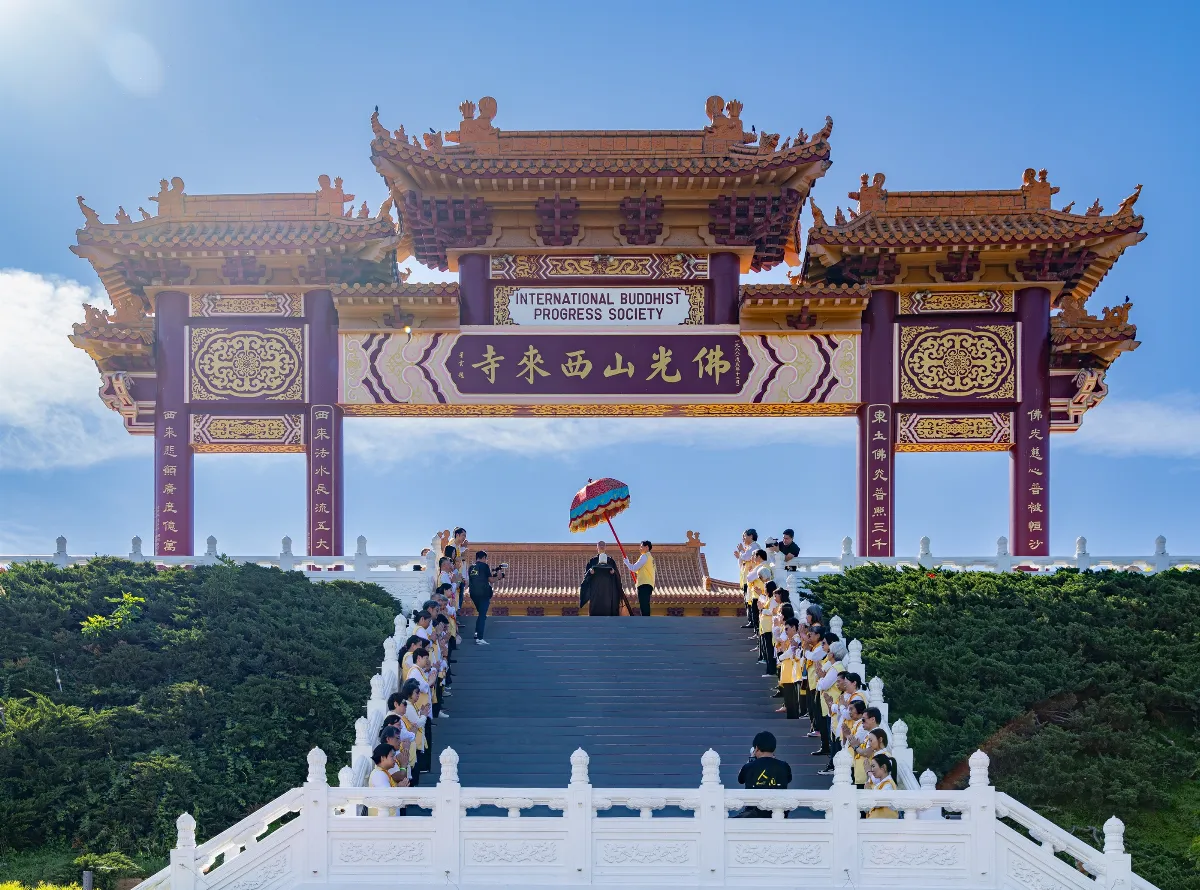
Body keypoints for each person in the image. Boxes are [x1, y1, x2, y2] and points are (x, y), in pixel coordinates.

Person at [733, 731, 793, 817]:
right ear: (774, 748)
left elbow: (740, 778)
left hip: (754, 815)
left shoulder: (749, 767)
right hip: (779, 814)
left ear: (756, 748)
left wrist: (751, 759)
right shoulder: (784, 766)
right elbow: (788, 779)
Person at [580, 541, 628, 616]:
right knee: (595, 609)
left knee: (608, 608)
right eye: (600, 545)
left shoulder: (610, 560)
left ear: (605, 547)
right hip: (595, 590)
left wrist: (613, 572)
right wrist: (590, 572)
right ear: (597, 547)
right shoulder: (592, 561)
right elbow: (586, 575)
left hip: (608, 590)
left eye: (603, 545)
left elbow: (617, 575)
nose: (601, 547)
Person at [467, 550, 495, 644]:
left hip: (473, 594)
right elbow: (491, 580)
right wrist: (498, 577)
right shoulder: (484, 566)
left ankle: (476, 632)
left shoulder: (471, 568)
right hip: (483, 593)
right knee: (482, 615)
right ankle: (480, 638)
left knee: (481, 614)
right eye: (485, 559)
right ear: (483, 558)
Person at [622, 540, 656, 617]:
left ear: (646, 547)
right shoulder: (651, 558)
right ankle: (646, 619)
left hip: (643, 583)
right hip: (649, 584)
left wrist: (627, 562)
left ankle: (645, 620)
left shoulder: (644, 556)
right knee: (645, 603)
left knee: (643, 604)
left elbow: (634, 568)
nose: (640, 548)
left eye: (641, 546)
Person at [736, 529, 759, 629]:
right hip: (746, 579)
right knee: (747, 600)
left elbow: (746, 557)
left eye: (744, 536)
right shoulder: (748, 548)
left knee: (750, 600)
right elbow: (742, 562)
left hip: (752, 579)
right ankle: (751, 620)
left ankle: (753, 622)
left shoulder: (754, 546)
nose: (743, 539)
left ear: (751, 536)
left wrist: (741, 551)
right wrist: (740, 555)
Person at [367, 743, 398, 816]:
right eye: (392, 756)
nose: (395, 759)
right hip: (383, 820)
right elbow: (387, 797)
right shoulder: (379, 775)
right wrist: (400, 788)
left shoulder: (383, 773)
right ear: (382, 758)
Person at [865, 754, 899, 818]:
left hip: (884, 825)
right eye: (871, 767)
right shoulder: (880, 785)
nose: (872, 769)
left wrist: (868, 792)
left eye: (873, 766)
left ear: (883, 767)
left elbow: (879, 802)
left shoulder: (888, 785)